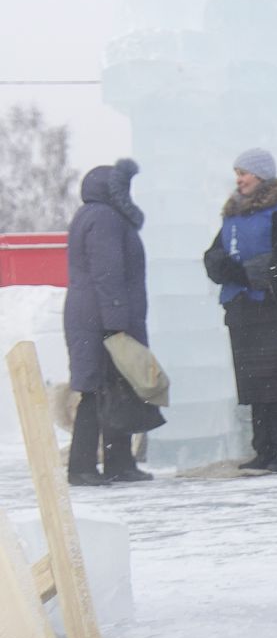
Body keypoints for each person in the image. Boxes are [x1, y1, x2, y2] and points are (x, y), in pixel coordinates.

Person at [202, 148, 277, 472]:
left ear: (261, 176)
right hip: (243, 310)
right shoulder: (232, 216)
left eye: (244, 172)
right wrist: (236, 271)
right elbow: (213, 257)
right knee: (255, 384)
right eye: (237, 172)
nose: (239, 179)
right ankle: (264, 449)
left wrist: (245, 272)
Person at [63, 158, 152, 486]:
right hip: (102, 319)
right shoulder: (105, 218)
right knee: (100, 391)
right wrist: (117, 326)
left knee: (112, 390)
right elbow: (107, 273)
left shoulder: (93, 215)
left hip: (93, 316)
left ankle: (118, 463)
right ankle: (84, 467)